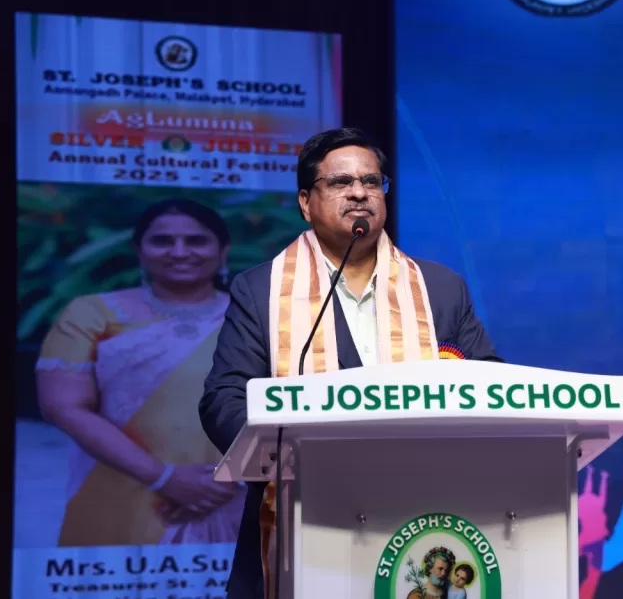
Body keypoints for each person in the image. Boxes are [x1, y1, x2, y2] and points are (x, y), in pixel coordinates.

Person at [199, 127, 501, 599]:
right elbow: (224, 397)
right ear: (306, 202)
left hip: (425, 517)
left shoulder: (439, 289)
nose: (359, 192)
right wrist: (289, 454)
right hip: (307, 511)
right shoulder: (262, 291)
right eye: (340, 182)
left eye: (371, 181)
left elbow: (491, 388)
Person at [36, 199, 243, 546]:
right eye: (162, 241)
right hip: (121, 486)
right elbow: (64, 406)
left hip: (231, 495)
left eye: (196, 240)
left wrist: (232, 480)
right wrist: (164, 478)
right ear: (139, 250)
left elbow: (288, 406)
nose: (179, 252)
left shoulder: (255, 317)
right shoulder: (92, 314)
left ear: (223, 250)